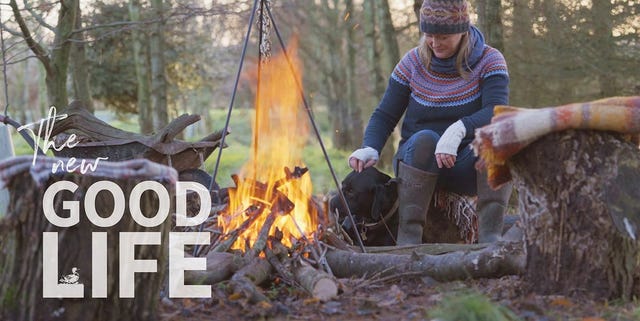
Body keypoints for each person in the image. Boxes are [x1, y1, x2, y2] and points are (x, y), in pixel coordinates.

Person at [348, 0, 512, 245]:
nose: (435, 43)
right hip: (417, 162)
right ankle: (409, 241)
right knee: (426, 139)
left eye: (442, 36)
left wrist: (459, 129)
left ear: (463, 30)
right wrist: (370, 146)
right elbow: (384, 114)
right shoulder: (412, 63)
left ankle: (490, 241)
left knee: (501, 138)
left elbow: (496, 111)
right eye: (429, 35)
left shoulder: (490, 60)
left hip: (464, 163)